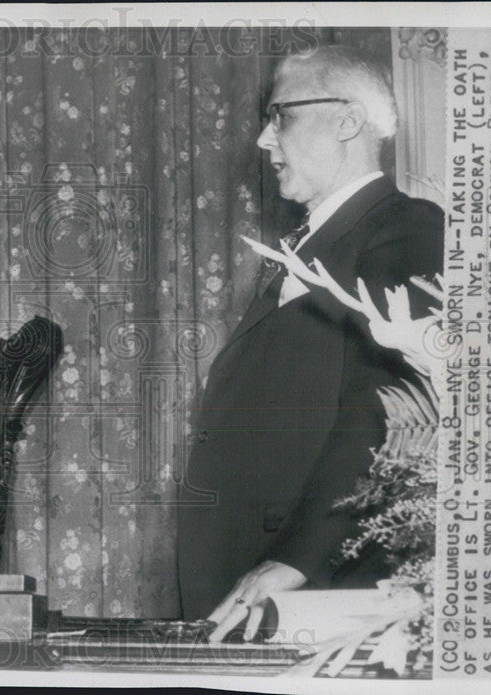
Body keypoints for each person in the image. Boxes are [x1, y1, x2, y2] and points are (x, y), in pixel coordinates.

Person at [176, 45, 444, 641]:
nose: (265, 141)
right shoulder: (316, 241)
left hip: (315, 582)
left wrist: (298, 557)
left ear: (348, 121)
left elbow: (390, 411)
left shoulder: (403, 228)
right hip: (255, 575)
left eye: (282, 116)